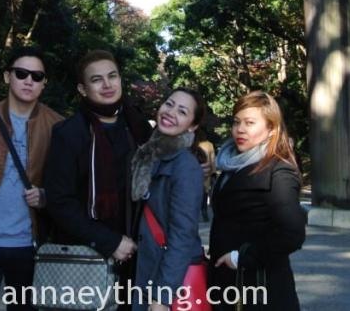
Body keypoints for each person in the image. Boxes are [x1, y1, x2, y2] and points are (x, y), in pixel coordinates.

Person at [0, 46, 64, 310]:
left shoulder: (58, 126)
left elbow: (68, 185)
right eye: (21, 73)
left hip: (29, 245)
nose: (29, 80)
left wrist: (46, 196)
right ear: (8, 76)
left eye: (37, 76)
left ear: (44, 84)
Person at [44, 49, 153, 277]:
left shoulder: (139, 127)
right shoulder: (69, 133)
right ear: (82, 89)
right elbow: (60, 201)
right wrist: (110, 242)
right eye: (96, 79)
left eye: (112, 76)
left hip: (138, 252)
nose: (107, 84)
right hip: (85, 257)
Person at [209, 90, 306, 311]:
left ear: (271, 128)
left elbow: (292, 234)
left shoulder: (278, 171)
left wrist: (242, 257)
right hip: (226, 285)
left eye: (250, 123)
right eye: (236, 122)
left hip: (259, 288)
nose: (240, 129)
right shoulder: (231, 166)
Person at [130, 88, 207, 311]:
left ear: (192, 126)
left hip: (162, 277)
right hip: (145, 268)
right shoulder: (149, 155)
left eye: (182, 111)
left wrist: (163, 296)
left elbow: (182, 235)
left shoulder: (185, 165)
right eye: (169, 104)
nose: (171, 112)